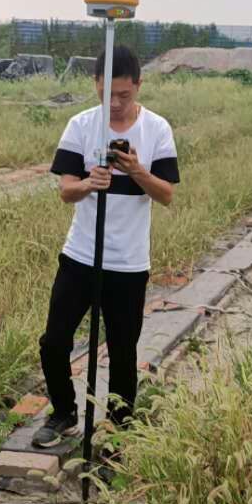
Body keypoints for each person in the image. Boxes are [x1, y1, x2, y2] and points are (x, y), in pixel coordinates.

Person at [33, 45, 180, 448]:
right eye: (106, 94)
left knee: (122, 349)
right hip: (81, 254)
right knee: (55, 341)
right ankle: (63, 412)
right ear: (95, 85)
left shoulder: (156, 130)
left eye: (124, 95)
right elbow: (66, 191)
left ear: (138, 86)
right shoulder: (81, 126)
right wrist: (87, 184)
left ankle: (119, 426)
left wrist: (137, 171)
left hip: (129, 262)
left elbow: (166, 195)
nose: (114, 104)